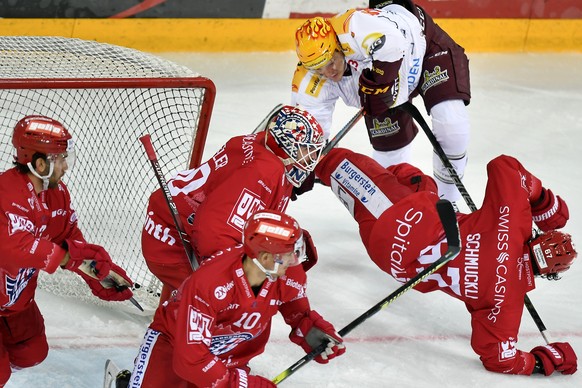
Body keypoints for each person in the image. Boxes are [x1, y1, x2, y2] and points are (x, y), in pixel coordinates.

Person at [313, 146, 577, 376]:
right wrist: (545, 361)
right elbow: (501, 359)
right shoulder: (508, 300)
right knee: (417, 180)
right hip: (394, 262)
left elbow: (504, 167)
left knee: (335, 162)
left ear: (538, 238)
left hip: (402, 217)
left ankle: (288, 165)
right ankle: (389, 178)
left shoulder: (513, 223)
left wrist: (545, 203)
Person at [127, 210, 345, 387]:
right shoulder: (210, 283)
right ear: (266, 258)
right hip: (174, 345)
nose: (294, 260)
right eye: (289, 253)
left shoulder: (286, 272)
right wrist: (240, 385)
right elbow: (191, 360)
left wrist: (310, 328)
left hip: (229, 357)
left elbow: (294, 307)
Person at [292, 0, 471, 204]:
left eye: (331, 61)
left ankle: (449, 203)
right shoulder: (308, 79)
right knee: (390, 160)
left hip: (425, 50)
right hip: (380, 86)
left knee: (452, 126)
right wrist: (306, 164)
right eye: (318, 69)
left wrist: (380, 82)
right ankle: (403, 211)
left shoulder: (352, 27)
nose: (328, 72)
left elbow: (394, 44)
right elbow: (311, 128)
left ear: (337, 45)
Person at [142, 105, 325, 303]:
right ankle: (170, 326)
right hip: (172, 240)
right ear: (287, 146)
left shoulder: (262, 145)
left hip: (173, 222)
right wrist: (232, 279)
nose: (313, 158)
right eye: (307, 150)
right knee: (226, 306)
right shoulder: (263, 172)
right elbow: (214, 232)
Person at [0, 115, 134, 385]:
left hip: (16, 303)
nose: (65, 166)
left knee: (32, 352)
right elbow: (15, 247)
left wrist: (96, 271)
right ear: (40, 163)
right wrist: (66, 259)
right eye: (59, 158)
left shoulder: (57, 193)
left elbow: (69, 237)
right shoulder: (6, 192)